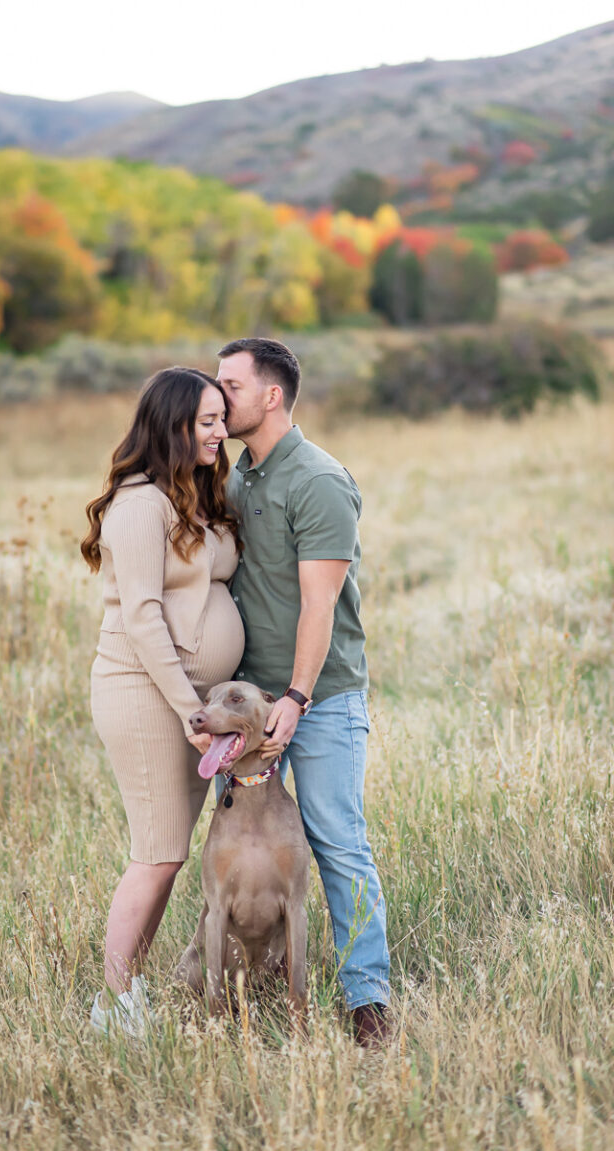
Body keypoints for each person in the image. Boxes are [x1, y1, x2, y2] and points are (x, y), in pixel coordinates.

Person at [216, 337, 391, 1044]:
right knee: (240, 845)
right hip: (247, 706)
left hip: (315, 697)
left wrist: (296, 695)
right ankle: (242, 986)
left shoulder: (316, 479)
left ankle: (367, 1001)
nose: (217, 395)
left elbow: (320, 606)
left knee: (336, 839)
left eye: (230, 384)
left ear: (272, 395)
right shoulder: (239, 477)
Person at [80, 366, 244, 1036]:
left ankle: (130, 991)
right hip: (147, 694)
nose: (219, 431)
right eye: (207, 420)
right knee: (156, 852)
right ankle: (115, 1005)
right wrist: (189, 709)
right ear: (172, 424)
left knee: (169, 851)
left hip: (192, 701)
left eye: (220, 418)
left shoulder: (197, 493)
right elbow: (145, 617)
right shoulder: (140, 504)